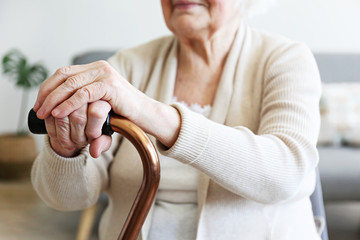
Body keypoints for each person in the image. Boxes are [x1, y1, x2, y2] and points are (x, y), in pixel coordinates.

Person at [31, 0, 322, 239]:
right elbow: (64, 200)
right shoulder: (129, 65)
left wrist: (148, 112)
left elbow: (286, 173)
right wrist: (65, 149)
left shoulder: (286, 58)